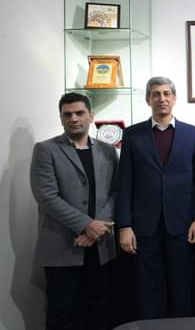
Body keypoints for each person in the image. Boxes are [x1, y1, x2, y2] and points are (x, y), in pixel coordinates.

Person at [116, 76, 195, 319]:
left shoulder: (193, 134)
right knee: (148, 291)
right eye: (156, 94)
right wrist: (124, 225)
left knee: (182, 289)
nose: (162, 99)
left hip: (182, 225)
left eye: (167, 93)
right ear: (148, 99)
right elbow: (124, 183)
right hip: (144, 227)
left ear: (174, 98)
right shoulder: (132, 135)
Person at [30, 92, 118, 330]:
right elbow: (47, 197)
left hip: (101, 247)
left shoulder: (108, 151)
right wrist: (87, 225)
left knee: (99, 310)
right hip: (62, 247)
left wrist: (97, 228)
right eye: (67, 114)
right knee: (62, 314)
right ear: (61, 118)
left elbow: (116, 192)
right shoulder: (45, 150)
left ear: (91, 115)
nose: (74, 119)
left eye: (79, 113)